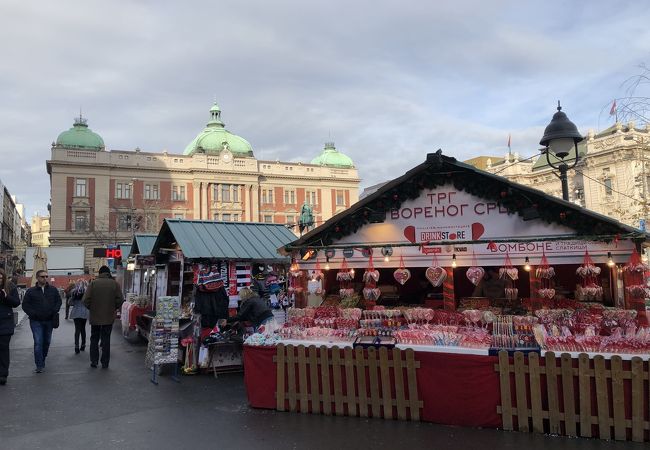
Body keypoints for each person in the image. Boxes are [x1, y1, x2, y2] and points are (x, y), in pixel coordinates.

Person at [83, 266, 124, 369]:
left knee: (94, 339)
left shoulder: (93, 283)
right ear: (108, 273)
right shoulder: (114, 284)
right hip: (108, 317)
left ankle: (94, 361)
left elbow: (85, 300)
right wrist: (113, 307)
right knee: (106, 340)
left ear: (100, 273)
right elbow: (120, 299)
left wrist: (92, 308)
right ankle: (105, 363)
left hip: (95, 317)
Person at [22, 269, 62, 373]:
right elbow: (25, 305)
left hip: (49, 320)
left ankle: (43, 358)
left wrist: (54, 310)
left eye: (46, 276)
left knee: (47, 342)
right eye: (42, 276)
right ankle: (39, 365)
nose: (45, 278)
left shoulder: (53, 290)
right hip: (36, 321)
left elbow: (59, 301)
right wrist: (33, 313)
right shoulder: (31, 291)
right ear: (37, 278)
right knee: (38, 342)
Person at [0, 268, 20, 385]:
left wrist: (6, 296)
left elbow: (16, 302)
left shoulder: (10, 286)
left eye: (1, 278)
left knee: (3, 349)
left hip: (5, 323)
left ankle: (3, 374)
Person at [69, 279, 89, 354]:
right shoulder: (86, 292)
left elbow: (70, 303)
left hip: (76, 312)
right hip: (84, 312)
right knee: (83, 329)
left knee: (77, 329)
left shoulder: (74, 292)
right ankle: (83, 345)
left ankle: (76, 346)